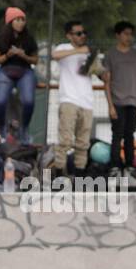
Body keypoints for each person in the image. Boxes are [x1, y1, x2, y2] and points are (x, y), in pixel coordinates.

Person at [102, 21, 136, 176]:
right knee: (117, 135)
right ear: (117, 35)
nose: (129, 37)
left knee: (130, 135)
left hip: (133, 101)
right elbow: (106, 82)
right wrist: (110, 105)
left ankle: (129, 165)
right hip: (117, 102)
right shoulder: (110, 55)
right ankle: (114, 166)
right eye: (126, 34)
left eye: (131, 34)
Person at [51, 21, 96, 175]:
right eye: (78, 33)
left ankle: (79, 178)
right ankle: (58, 177)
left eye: (84, 33)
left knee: (83, 143)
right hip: (69, 100)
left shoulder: (89, 51)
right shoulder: (64, 48)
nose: (82, 36)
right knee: (65, 141)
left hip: (87, 101)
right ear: (69, 36)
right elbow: (55, 55)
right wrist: (78, 51)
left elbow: (99, 71)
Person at [0, 7, 39, 142]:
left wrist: (24, 56)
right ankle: (1, 128)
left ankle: (24, 127)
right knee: (0, 101)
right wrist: (7, 55)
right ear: (10, 21)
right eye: (17, 20)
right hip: (6, 70)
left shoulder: (29, 38)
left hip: (25, 70)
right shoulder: (0, 39)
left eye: (23, 20)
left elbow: (35, 59)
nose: (21, 23)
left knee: (28, 101)